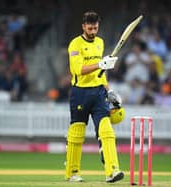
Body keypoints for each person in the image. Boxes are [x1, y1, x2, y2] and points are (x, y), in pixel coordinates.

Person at [65, 11, 124, 183]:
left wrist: (109, 90)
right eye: (90, 28)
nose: (93, 31)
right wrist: (100, 63)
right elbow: (77, 70)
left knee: (106, 130)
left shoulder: (100, 42)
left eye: (95, 28)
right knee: (77, 133)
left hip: (99, 92)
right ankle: (72, 172)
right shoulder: (75, 44)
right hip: (80, 93)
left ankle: (112, 171)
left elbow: (100, 73)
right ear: (83, 26)